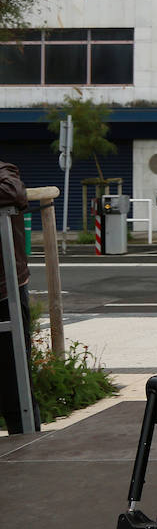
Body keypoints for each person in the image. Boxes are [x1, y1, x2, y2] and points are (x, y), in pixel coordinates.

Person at [1, 162, 41, 435]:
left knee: (15, 383)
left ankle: (28, 443)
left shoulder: (4, 171)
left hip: (6, 293)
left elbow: (14, 193)